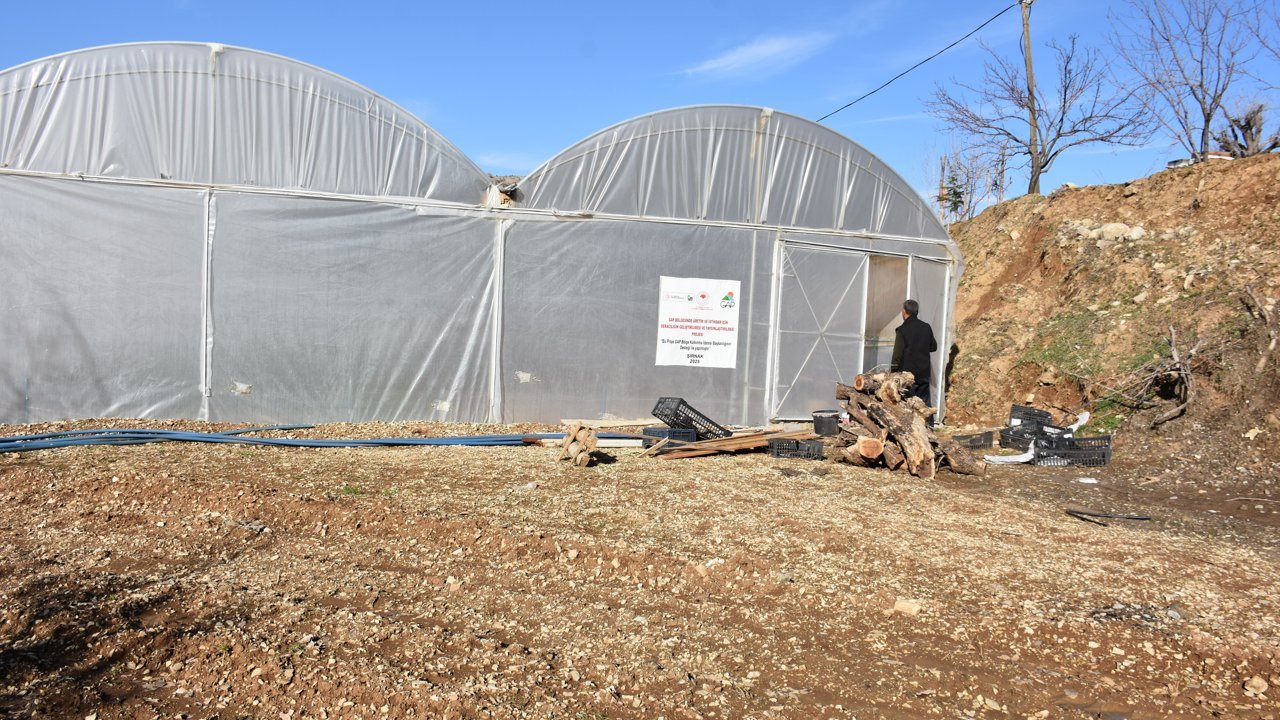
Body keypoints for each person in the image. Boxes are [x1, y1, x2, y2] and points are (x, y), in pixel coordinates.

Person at [890, 299, 938, 411]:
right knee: (924, 404)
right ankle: (928, 422)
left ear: (904, 311)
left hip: (907, 375)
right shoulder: (926, 327)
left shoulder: (902, 330)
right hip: (924, 372)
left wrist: (893, 371)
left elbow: (897, 354)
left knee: (907, 405)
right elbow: (933, 347)